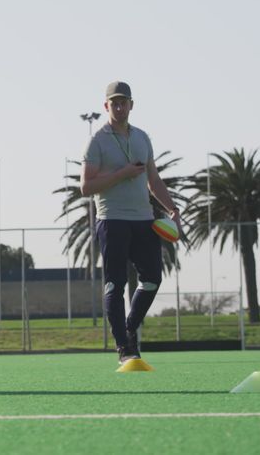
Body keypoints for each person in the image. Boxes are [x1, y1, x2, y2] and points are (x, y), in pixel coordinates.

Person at [80, 81, 181, 364]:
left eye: (124, 102)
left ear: (132, 105)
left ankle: (129, 327)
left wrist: (172, 209)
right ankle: (124, 347)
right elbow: (86, 187)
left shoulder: (142, 138)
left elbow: (154, 181)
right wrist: (122, 173)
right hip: (112, 220)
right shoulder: (97, 140)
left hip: (144, 220)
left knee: (152, 279)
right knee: (115, 284)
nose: (120, 107)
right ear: (106, 106)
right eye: (115, 103)